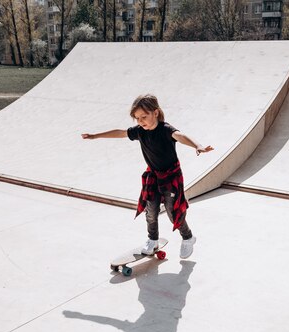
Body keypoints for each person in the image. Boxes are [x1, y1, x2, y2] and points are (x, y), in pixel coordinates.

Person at [81, 94, 213, 259]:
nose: (141, 121)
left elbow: (180, 136)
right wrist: (95, 136)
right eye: (137, 118)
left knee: (173, 212)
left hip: (171, 176)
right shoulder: (139, 132)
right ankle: (152, 240)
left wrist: (198, 145)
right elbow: (120, 133)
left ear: (155, 113)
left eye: (144, 116)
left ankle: (188, 237)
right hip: (153, 176)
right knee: (150, 211)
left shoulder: (166, 129)